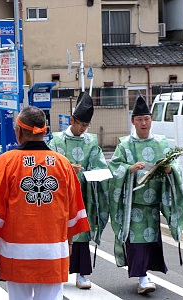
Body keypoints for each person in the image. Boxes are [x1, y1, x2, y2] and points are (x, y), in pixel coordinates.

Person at [0, 106, 90, 300]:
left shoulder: (6, 162)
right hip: (53, 250)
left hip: (15, 251)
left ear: (19, 131)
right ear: (44, 130)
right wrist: (69, 241)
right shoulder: (63, 164)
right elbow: (73, 210)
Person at [108, 96, 183, 295]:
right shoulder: (125, 144)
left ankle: (146, 276)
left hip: (153, 204)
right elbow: (115, 167)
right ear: (133, 121)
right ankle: (143, 278)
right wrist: (129, 169)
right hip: (133, 205)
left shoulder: (161, 142)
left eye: (147, 118)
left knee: (150, 241)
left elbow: (175, 167)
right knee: (137, 242)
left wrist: (169, 170)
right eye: (140, 119)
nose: (144, 123)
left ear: (151, 120)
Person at [48, 92, 109, 289]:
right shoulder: (56, 141)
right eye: (80, 124)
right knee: (60, 235)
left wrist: (92, 173)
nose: (82, 129)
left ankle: (82, 274)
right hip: (61, 197)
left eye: (86, 125)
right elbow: (49, 165)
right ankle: (58, 271)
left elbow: (100, 166)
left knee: (82, 233)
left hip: (85, 195)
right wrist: (66, 169)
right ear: (72, 120)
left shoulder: (91, 142)